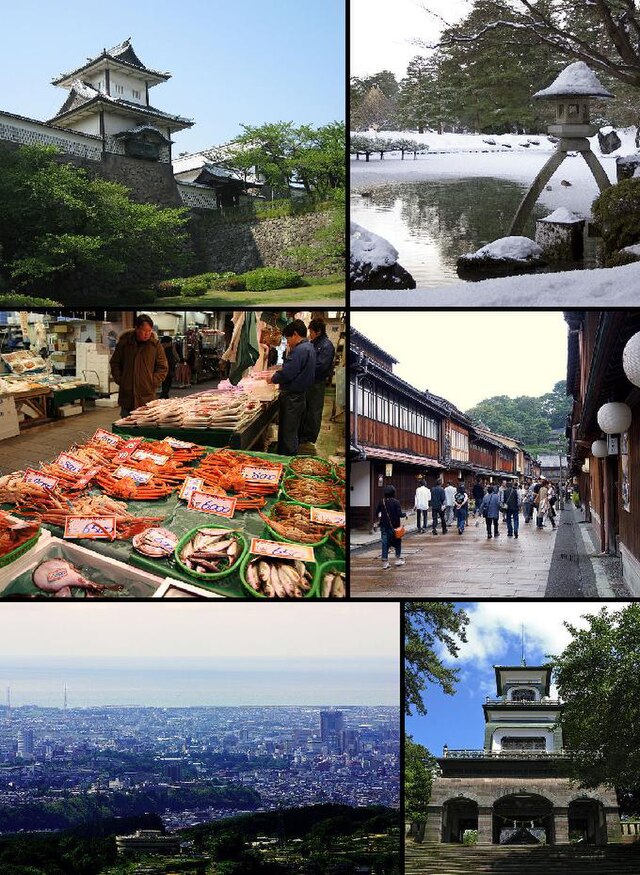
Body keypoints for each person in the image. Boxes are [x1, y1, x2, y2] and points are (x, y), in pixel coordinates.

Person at [270, 320, 316, 456]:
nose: (288, 342)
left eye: (288, 338)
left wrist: (272, 378)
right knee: (292, 431)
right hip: (300, 396)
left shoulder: (300, 350)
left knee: (288, 433)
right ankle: (290, 456)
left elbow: (288, 373)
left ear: (295, 335)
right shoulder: (309, 347)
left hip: (292, 398)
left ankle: (286, 461)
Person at [110, 314, 168, 418]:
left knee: (146, 427)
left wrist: (153, 381)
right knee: (126, 427)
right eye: (144, 331)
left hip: (147, 396)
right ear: (136, 328)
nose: (147, 334)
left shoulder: (155, 346)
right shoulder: (124, 344)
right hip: (127, 395)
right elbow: (114, 363)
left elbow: (162, 367)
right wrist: (121, 380)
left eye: (149, 331)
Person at [298, 318, 335, 453]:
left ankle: (309, 437)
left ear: (318, 331)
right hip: (308, 381)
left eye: (311, 332)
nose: (310, 334)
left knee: (313, 409)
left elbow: (320, 366)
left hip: (317, 382)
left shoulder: (326, 345)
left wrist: (304, 369)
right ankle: (303, 435)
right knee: (306, 408)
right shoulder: (314, 343)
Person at [375, 485, 407, 570]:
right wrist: (405, 514)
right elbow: (400, 514)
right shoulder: (396, 502)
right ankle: (397, 559)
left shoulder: (381, 502)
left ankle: (385, 562)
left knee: (385, 543)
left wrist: (380, 518)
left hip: (384, 526)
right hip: (395, 526)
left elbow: (377, 512)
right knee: (397, 542)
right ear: (393, 493)